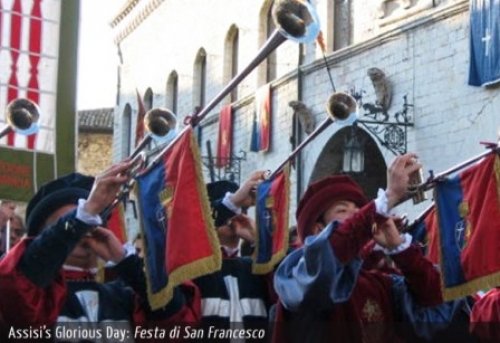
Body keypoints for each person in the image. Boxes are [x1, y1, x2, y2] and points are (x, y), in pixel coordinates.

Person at [272, 153, 472, 343]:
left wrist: (400, 249)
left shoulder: (379, 281)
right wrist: (389, 197)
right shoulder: (294, 274)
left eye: (358, 211)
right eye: (342, 210)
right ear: (318, 230)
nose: (354, 216)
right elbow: (324, 263)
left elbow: (434, 305)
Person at [0, 161, 197, 341]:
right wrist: (80, 218)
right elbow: (16, 288)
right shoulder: (36, 294)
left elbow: (176, 328)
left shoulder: (125, 295)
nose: (82, 232)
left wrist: (126, 263)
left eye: (91, 222)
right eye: (73, 221)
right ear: (43, 235)